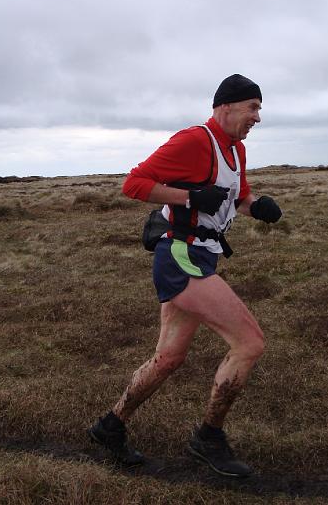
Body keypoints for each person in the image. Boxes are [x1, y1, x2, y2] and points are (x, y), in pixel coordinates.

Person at [88, 74, 282, 478]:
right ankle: (208, 438)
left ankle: (110, 427)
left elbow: (236, 197)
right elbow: (134, 184)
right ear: (225, 107)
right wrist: (189, 197)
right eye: (253, 108)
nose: (258, 117)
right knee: (249, 343)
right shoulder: (195, 141)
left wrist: (256, 206)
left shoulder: (236, 150)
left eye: (259, 109)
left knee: (169, 358)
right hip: (180, 255)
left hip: (202, 255)